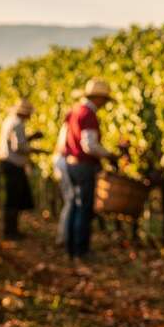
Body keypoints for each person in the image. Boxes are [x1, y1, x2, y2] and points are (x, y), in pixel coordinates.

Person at [60, 79, 118, 260]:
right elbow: (89, 145)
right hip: (83, 166)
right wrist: (109, 155)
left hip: (70, 164)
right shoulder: (88, 114)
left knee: (74, 206)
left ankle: (70, 248)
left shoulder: (74, 111)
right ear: (99, 98)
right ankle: (80, 250)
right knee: (83, 208)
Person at [0, 100, 43, 239]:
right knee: (14, 198)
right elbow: (18, 147)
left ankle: (11, 230)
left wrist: (30, 138)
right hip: (13, 164)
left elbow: (16, 141)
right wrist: (36, 150)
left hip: (8, 162)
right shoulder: (18, 123)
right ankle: (10, 232)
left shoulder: (9, 121)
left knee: (13, 198)